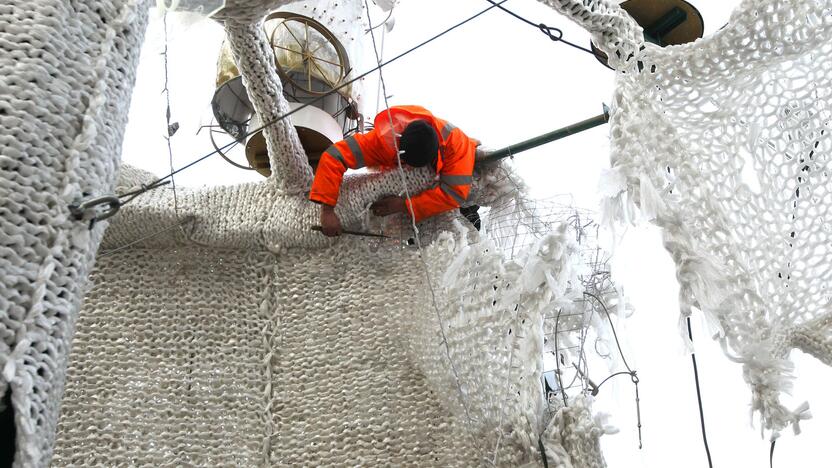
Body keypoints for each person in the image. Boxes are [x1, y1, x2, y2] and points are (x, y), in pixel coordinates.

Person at [309, 105, 479, 236]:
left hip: (436, 204)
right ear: (398, 144)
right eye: (406, 163)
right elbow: (334, 156)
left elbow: (455, 194)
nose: (410, 169)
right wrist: (327, 210)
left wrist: (404, 205)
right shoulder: (383, 140)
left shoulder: (457, 147)